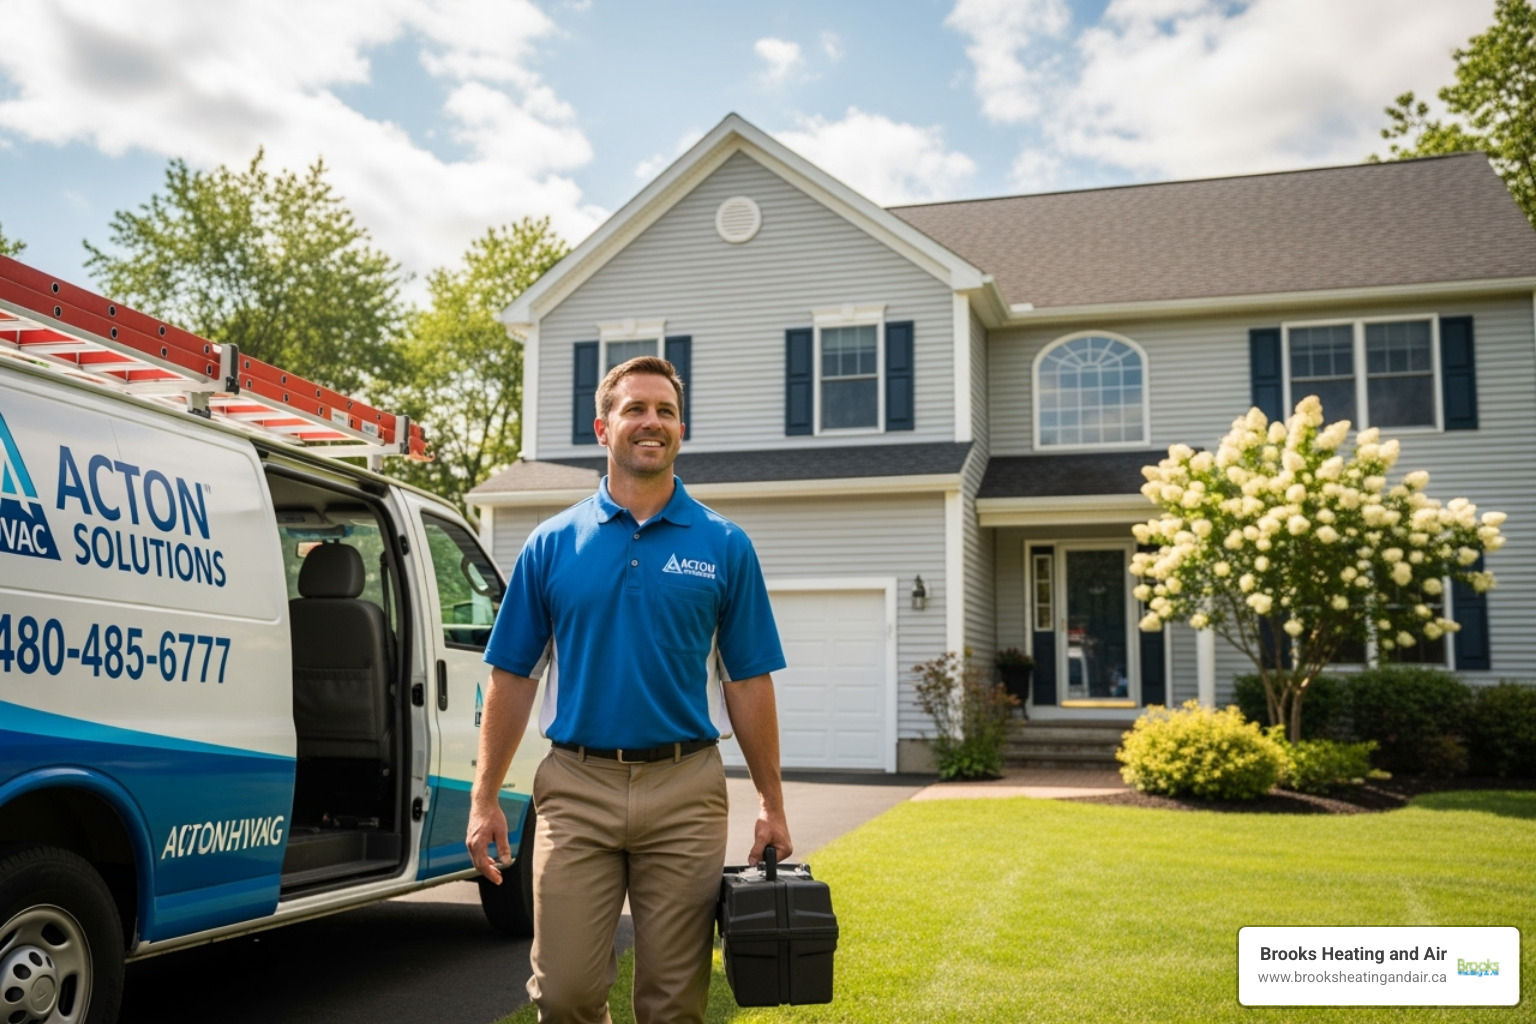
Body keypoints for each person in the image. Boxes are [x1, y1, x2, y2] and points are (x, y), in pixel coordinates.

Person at [467, 355, 792, 1024]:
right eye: (636, 409)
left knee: (674, 1004)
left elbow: (748, 679)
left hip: (686, 790)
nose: (652, 422)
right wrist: (484, 797)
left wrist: (772, 801)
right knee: (565, 995)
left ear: (680, 429)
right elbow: (512, 677)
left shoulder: (725, 545)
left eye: (666, 411)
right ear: (602, 428)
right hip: (575, 788)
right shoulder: (551, 544)